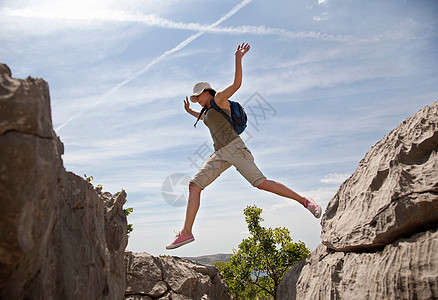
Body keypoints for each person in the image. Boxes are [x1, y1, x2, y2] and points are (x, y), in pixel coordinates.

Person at [166, 42, 321, 250]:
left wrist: (238, 59)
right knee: (194, 185)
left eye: (197, 97)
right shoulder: (206, 112)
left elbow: (236, 84)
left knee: (261, 183)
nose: (196, 101)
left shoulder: (219, 99)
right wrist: (189, 112)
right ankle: (186, 233)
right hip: (219, 154)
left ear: (206, 92)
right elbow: (205, 120)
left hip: (236, 149)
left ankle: (304, 200)